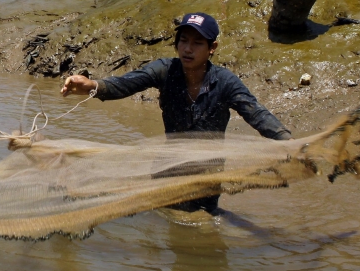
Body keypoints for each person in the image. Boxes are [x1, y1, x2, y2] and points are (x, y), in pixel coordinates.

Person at [60, 12, 291, 213]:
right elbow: (127, 84)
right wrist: (92, 86)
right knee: (168, 224)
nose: (188, 49)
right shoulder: (165, 70)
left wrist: (288, 143)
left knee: (204, 228)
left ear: (212, 48)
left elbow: (257, 115)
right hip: (167, 169)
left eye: (198, 43)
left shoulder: (225, 82)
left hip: (207, 176)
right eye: (183, 41)